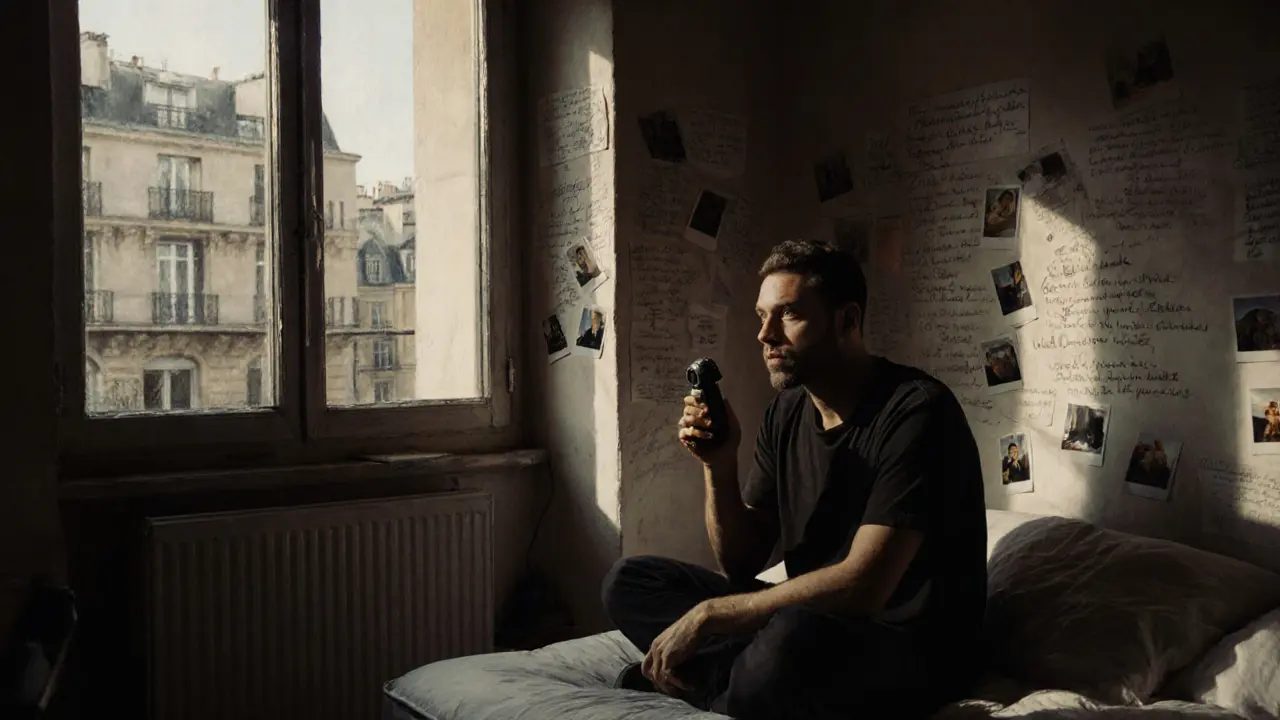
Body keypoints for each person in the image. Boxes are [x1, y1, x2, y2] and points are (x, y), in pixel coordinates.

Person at [601, 239, 988, 719]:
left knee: (787, 639)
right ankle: (734, 676)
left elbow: (864, 586)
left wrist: (710, 616)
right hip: (810, 622)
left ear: (847, 321)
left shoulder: (919, 412)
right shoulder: (785, 412)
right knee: (631, 581)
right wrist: (719, 464)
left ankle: (713, 682)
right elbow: (742, 562)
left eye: (787, 315)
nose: (764, 335)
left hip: (908, 643)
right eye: (761, 316)